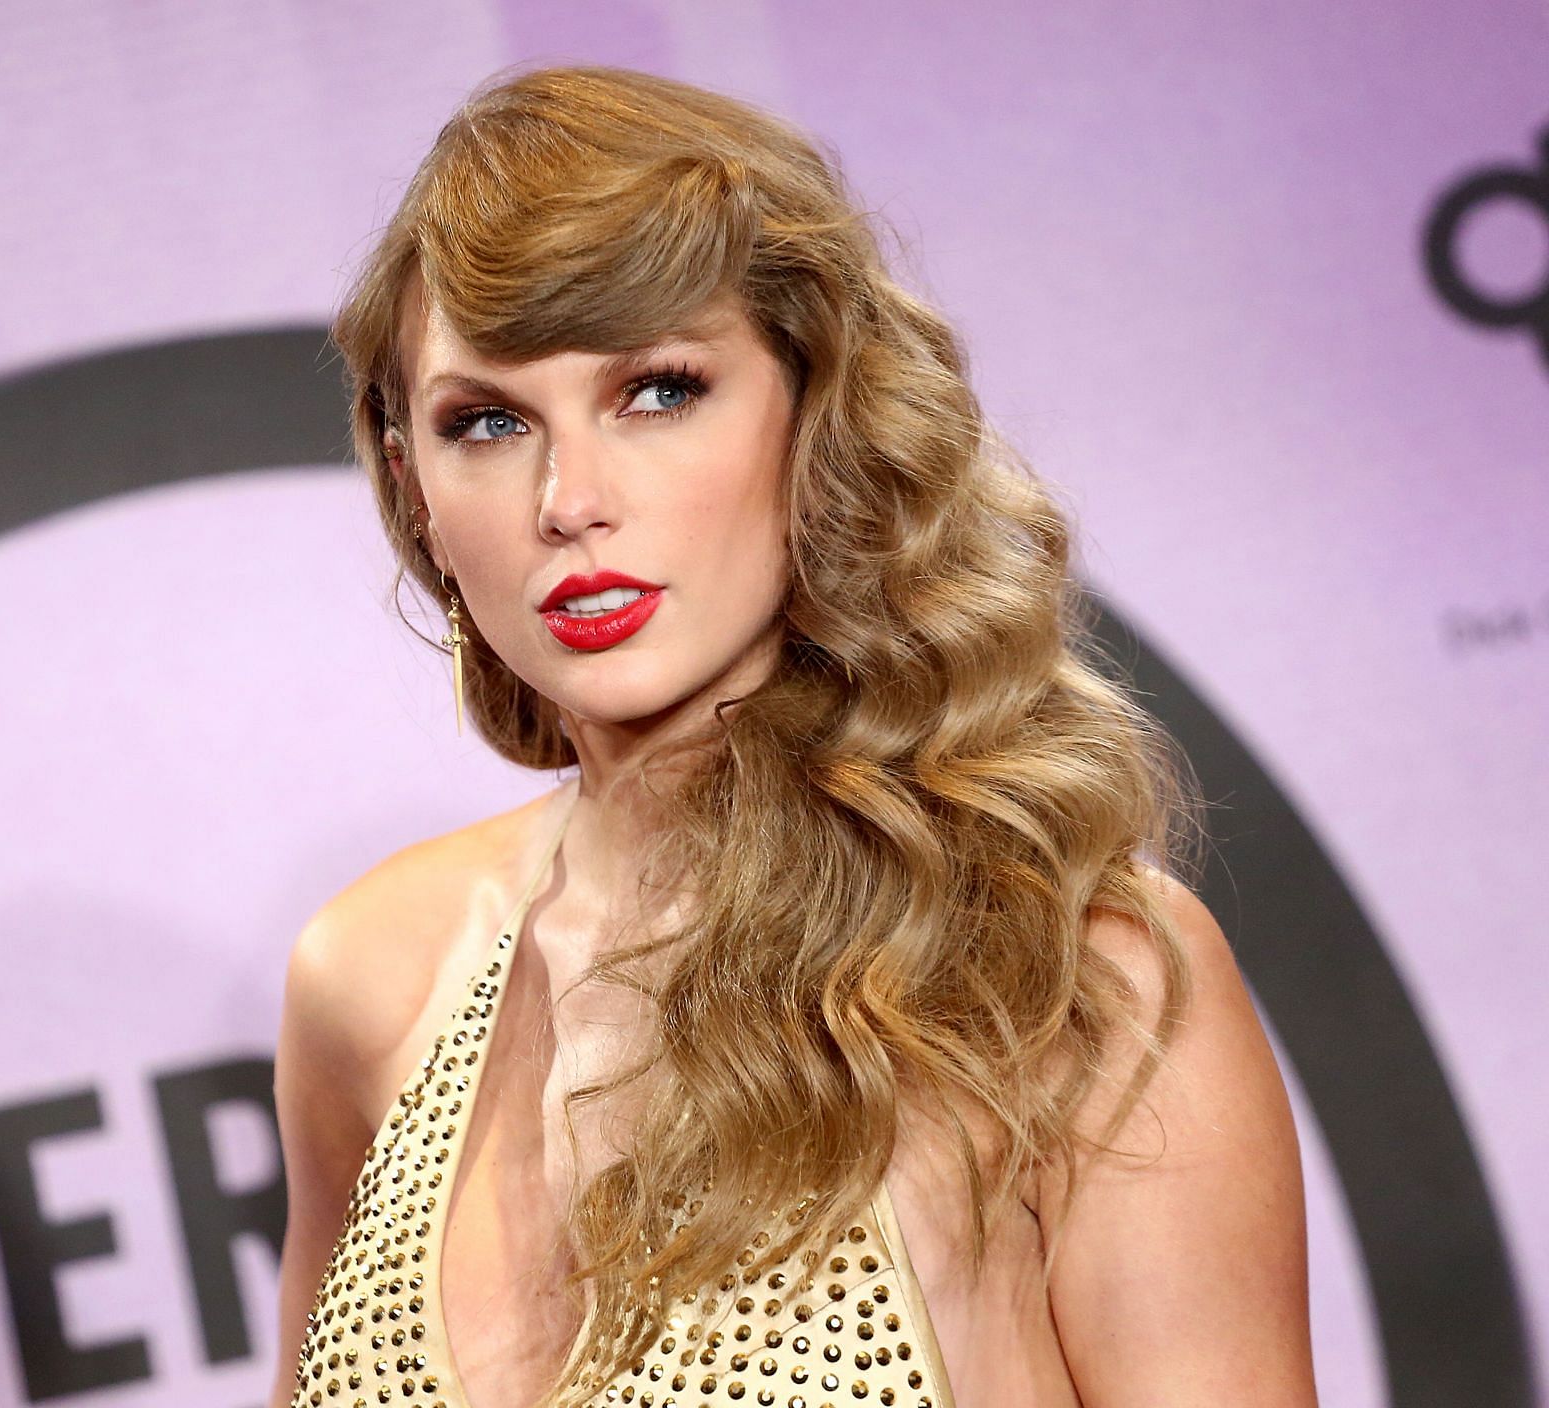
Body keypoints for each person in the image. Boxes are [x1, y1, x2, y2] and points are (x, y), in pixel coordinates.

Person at [270, 64, 1315, 1408]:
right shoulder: (368, 982)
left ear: (811, 411)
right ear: (412, 486)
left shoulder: (1058, 978)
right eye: (488, 421)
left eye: (657, 391)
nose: (568, 499)